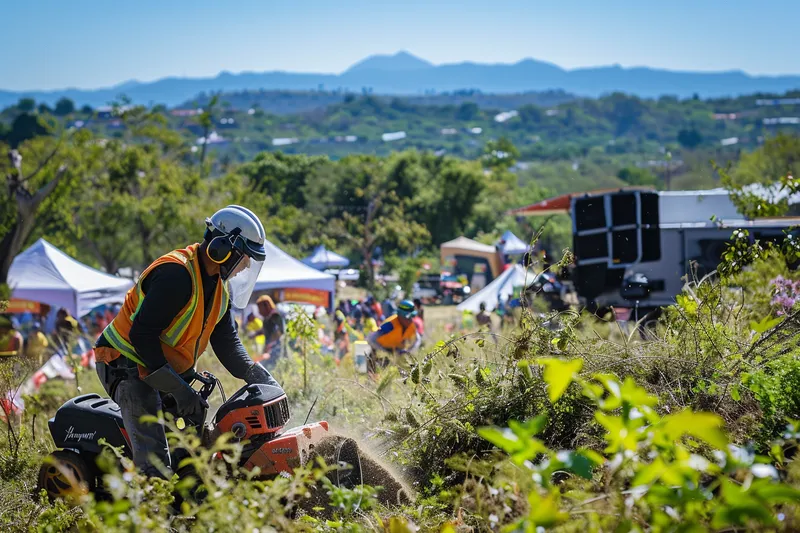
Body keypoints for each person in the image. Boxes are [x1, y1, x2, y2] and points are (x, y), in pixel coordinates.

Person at [93, 205, 280, 479]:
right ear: (222, 249)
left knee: (190, 443)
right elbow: (141, 337)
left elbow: (227, 344)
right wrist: (179, 390)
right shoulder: (176, 275)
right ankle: (154, 505)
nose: (246, 266)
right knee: (156, 461)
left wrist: (259, 377)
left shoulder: (218, 287)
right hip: (125, 363)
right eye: (245, 258)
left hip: (159, 366)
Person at [366, 300, 421, 367]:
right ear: (400, 316)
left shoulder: (411, 326)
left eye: (412, 317)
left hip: (396, 351)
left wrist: (408, 351)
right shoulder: (390, 325)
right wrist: (385, 352)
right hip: (380, 350)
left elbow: (417, 340)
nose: (410, 320)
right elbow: (371, 338)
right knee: (377, 363)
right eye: (408, 318)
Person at [256, 295, 285, 366]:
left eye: (260, 307)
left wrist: (268, 347)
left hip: (275, 349)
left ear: (266, 306)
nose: (259, 310)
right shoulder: (268, 317)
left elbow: (277, 333)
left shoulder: (274, 316)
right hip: (271, 348)